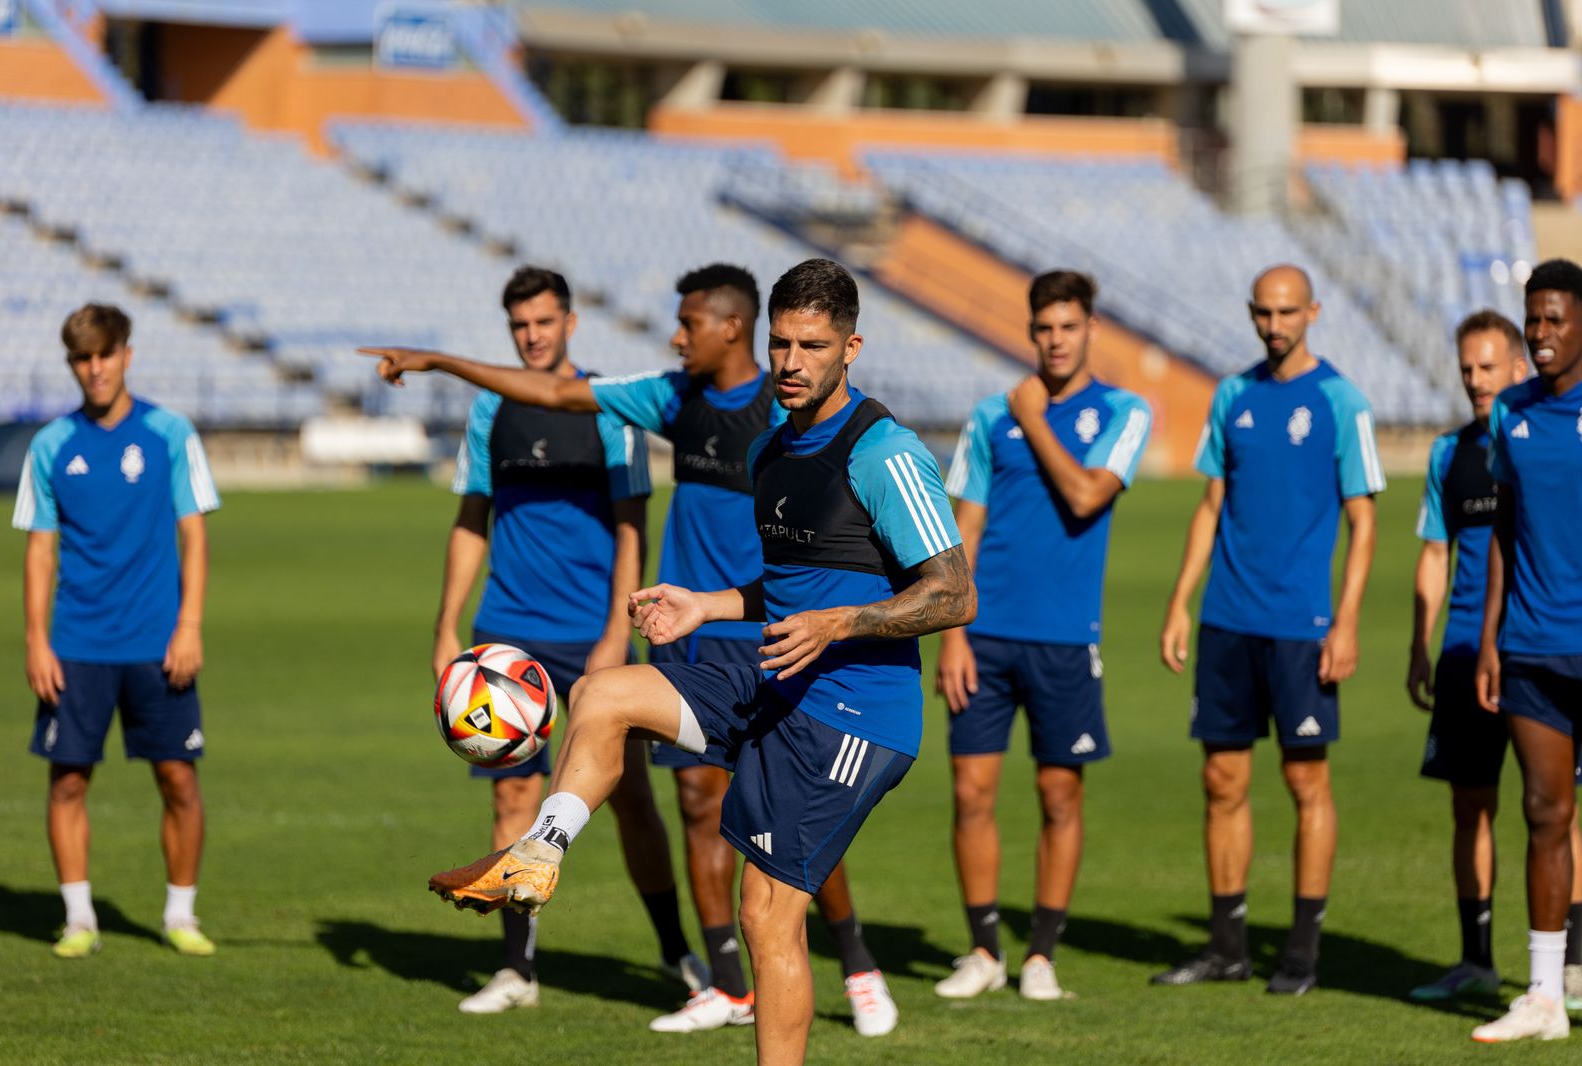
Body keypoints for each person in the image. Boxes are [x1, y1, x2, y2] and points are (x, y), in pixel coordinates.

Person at [404, 258, 975, 1066]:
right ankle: (539, 853)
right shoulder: (774, 450)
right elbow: (783, 586)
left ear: (852, 347)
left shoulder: (883, 451)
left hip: (854, 714)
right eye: (782, 343)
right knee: (603, 696)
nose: (790, 362)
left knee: (767, 915)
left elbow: (952, 594)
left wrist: (838, 622)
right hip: (775, 678)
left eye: (812, 345)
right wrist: (707, 605)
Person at [427, 267, 701, 1013]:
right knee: (513, 792)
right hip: (508, 639)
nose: (533, 336)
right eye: (520, 326)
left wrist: (617, 631)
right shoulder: (491, 407)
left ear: (570, 323)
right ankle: (518, 969)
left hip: (594, 633)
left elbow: (630, 528)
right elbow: (469, 520)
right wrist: (448, 626)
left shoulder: (607, 408)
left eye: (544, 322)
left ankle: (677, 953)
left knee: (631, 796)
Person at [1155, 264, 1384, 995]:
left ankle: (1303, 953)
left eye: (1288, 312)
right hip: (1227, 619)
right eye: (1264, 312)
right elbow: (1210, 505)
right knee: (1221, 779)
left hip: (1300, 626)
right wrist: (1180, 600)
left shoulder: (1341, 401)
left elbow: (1364, 521)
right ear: (1252, 313)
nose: (1275, 324)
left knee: (1303, 780)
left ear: (1312, 311)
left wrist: (1345, 621)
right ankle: (1227, 947)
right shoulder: (1233, 394)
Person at [936, 270, 1150, 1001]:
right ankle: (983, 950)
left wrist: (1034, 420)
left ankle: (1041, 955)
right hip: (985, 635)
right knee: (971, 793)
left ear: (1091, 329)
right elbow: (964, 527)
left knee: (1059, 797)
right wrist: (952, 633)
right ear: (1031, 332)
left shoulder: (1125, 411)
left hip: (1064, 638)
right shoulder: (988, 416)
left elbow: (1089, 495)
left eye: (1068, 326)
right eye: (1044, 328)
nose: (1056, 340)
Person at [12, 303, 220, 958]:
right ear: (71, 363)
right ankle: (79, 919)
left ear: (127, 353)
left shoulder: (169, 432)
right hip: (76, 645)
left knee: (179, 781)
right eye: (81, 357)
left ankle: (180, 915)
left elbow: (195, 533)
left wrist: (189, 624)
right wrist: (35, 639)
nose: (94, 368)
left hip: (159, 644)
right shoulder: (50, 445)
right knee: (68, 780)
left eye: (104, 353)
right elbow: (41, 550)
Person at [1405, 310, 1582, 1007]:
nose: (1476, 381)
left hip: (1538, 646)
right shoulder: (1450, 454)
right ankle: (1475, 958)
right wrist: (1420, 643)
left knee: (1560, 809)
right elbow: (1432, 551)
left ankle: (1570, 962)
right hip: (1466, 654)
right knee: (1470, 805)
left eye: (1488, 367)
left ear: (1517, 365)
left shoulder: (1546, 434)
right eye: (1466, 368)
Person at [1470, 258, 1582, 1042]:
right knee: (1544, 811)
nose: (1540, 336)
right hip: (1533, 646)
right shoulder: (1509, 412)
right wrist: (1489, 639)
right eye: (1532, 320)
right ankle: (1544, 997)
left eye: (1555, 320)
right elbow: (1503, 531)